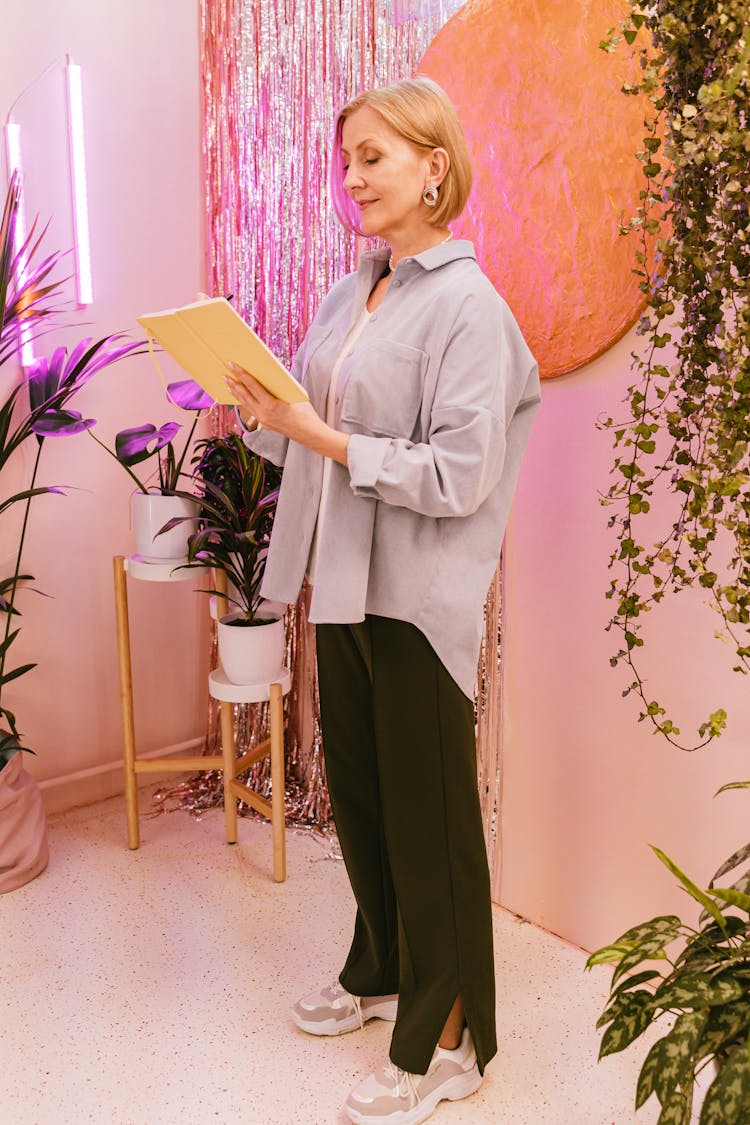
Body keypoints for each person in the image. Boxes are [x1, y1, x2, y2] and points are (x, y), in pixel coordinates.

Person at [227, 76, 540, 1125]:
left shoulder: (470, 308)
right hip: (342, 584)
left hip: (418, 596)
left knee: (430, 820)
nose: (352, 178)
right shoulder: (350, 288)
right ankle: (381, 968)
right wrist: (263, 413)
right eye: (347, 159)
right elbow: (310, 437)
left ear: (434, 167)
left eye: (375, 157)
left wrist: (317, 435)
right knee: (363, 806)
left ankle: (450, 1040)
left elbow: (459, 474)